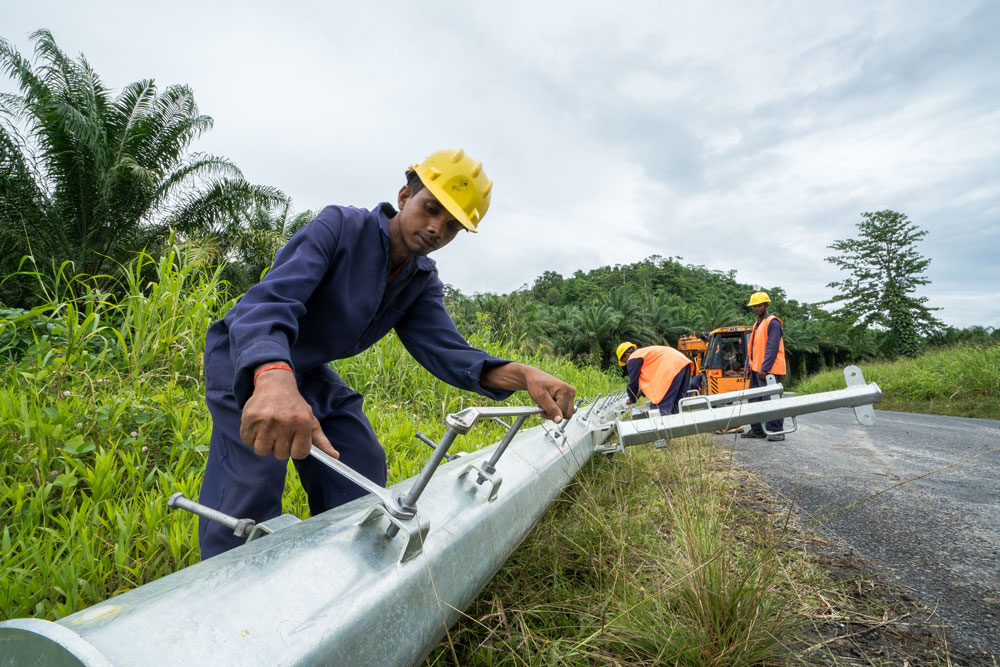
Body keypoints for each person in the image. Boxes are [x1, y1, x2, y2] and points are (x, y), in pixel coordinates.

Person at [198, 149, 577, 558]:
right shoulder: (340, 226)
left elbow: (449, 354)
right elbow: (268, 304)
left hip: (306, 370)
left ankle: (339, 568)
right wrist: (272, 377)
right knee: (254, 480)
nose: (436, 229)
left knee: (360, 462)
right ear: (403, 197)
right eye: (430, 209)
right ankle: (225, 589)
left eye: (452, 227)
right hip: (251, 356)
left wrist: (524, 375)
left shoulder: (420, 280)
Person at [740, 291, 787, 441]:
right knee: (754, 399)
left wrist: (765, 368)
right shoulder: (757, 324)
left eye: (759, 305)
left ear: (766, 304)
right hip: (756, 369)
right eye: (754, 306)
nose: (756, 308)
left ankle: (776, 430)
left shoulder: (773, 322)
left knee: (771, 399)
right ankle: (757, 430)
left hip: (768, 370)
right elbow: (752, 347)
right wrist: (748, 366)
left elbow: (772, 348)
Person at [615, 342, 694, 415]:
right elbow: (653, 379)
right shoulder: (644, 353)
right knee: (675, 407)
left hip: (671, 368)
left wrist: (632, 399)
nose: (626, 363)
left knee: (658, 410)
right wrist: (639, 394)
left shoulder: (633, 358)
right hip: (683, 364)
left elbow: (633, 383)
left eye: (624, 361)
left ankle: (662, 429)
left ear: (626, 355)